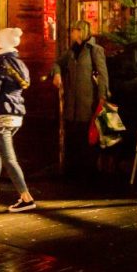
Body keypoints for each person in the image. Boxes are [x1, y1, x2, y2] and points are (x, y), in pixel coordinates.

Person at [0, 27, 36, 212]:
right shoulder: (18, 62)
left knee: (9, 158)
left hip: (1, 113)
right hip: (15, 113)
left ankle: (26, 197)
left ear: (0, 43)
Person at [51, 19, 109, 175]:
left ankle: (89, 170)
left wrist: (102, 96)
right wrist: (57, 74)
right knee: (74, 134)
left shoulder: (94, 50)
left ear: (80, 31)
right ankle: (74, 168)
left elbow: (103, 74)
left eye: (73, 30)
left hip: (87, 99)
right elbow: (57, 63)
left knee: (88, 133)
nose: (71, 33)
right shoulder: (71, 51)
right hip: (72, 101)